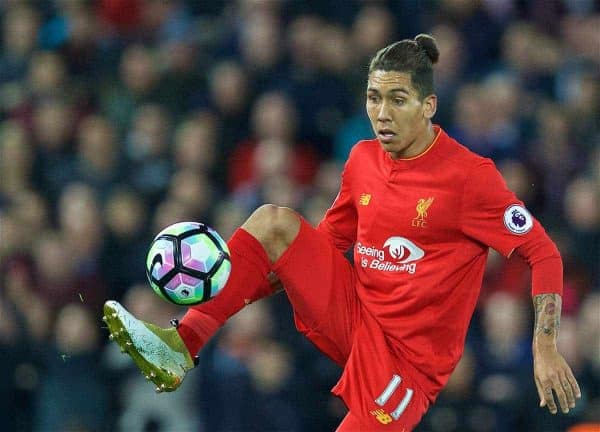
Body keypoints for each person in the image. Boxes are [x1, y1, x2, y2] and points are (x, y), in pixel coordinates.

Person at [103, 34, 581, 431]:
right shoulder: (362, 159)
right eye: (374, 98)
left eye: (398, 99)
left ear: (428, 105)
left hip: (406, 365)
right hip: (353, 316)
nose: (383, 113)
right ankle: (181, 345)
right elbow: (324, 245)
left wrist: (544, 348)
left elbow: (544, 254)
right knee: (275, 222)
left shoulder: (469, 178)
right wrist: (236, 292)